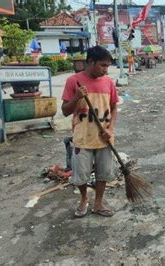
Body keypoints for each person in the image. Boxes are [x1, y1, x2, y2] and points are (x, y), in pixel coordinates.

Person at [61, 46, 118, 218]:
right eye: (102, 65)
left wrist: (110, 128)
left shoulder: (108, 82)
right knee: (81, 175)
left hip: (104, 137)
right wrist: (77, 97)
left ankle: (98, 203)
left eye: (107, 66)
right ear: (91, 62)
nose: (105, 69)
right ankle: (84, 199)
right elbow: (65, 111)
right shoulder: (74, 81)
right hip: (83, 137)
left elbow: (114, 107)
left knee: (104, 173)